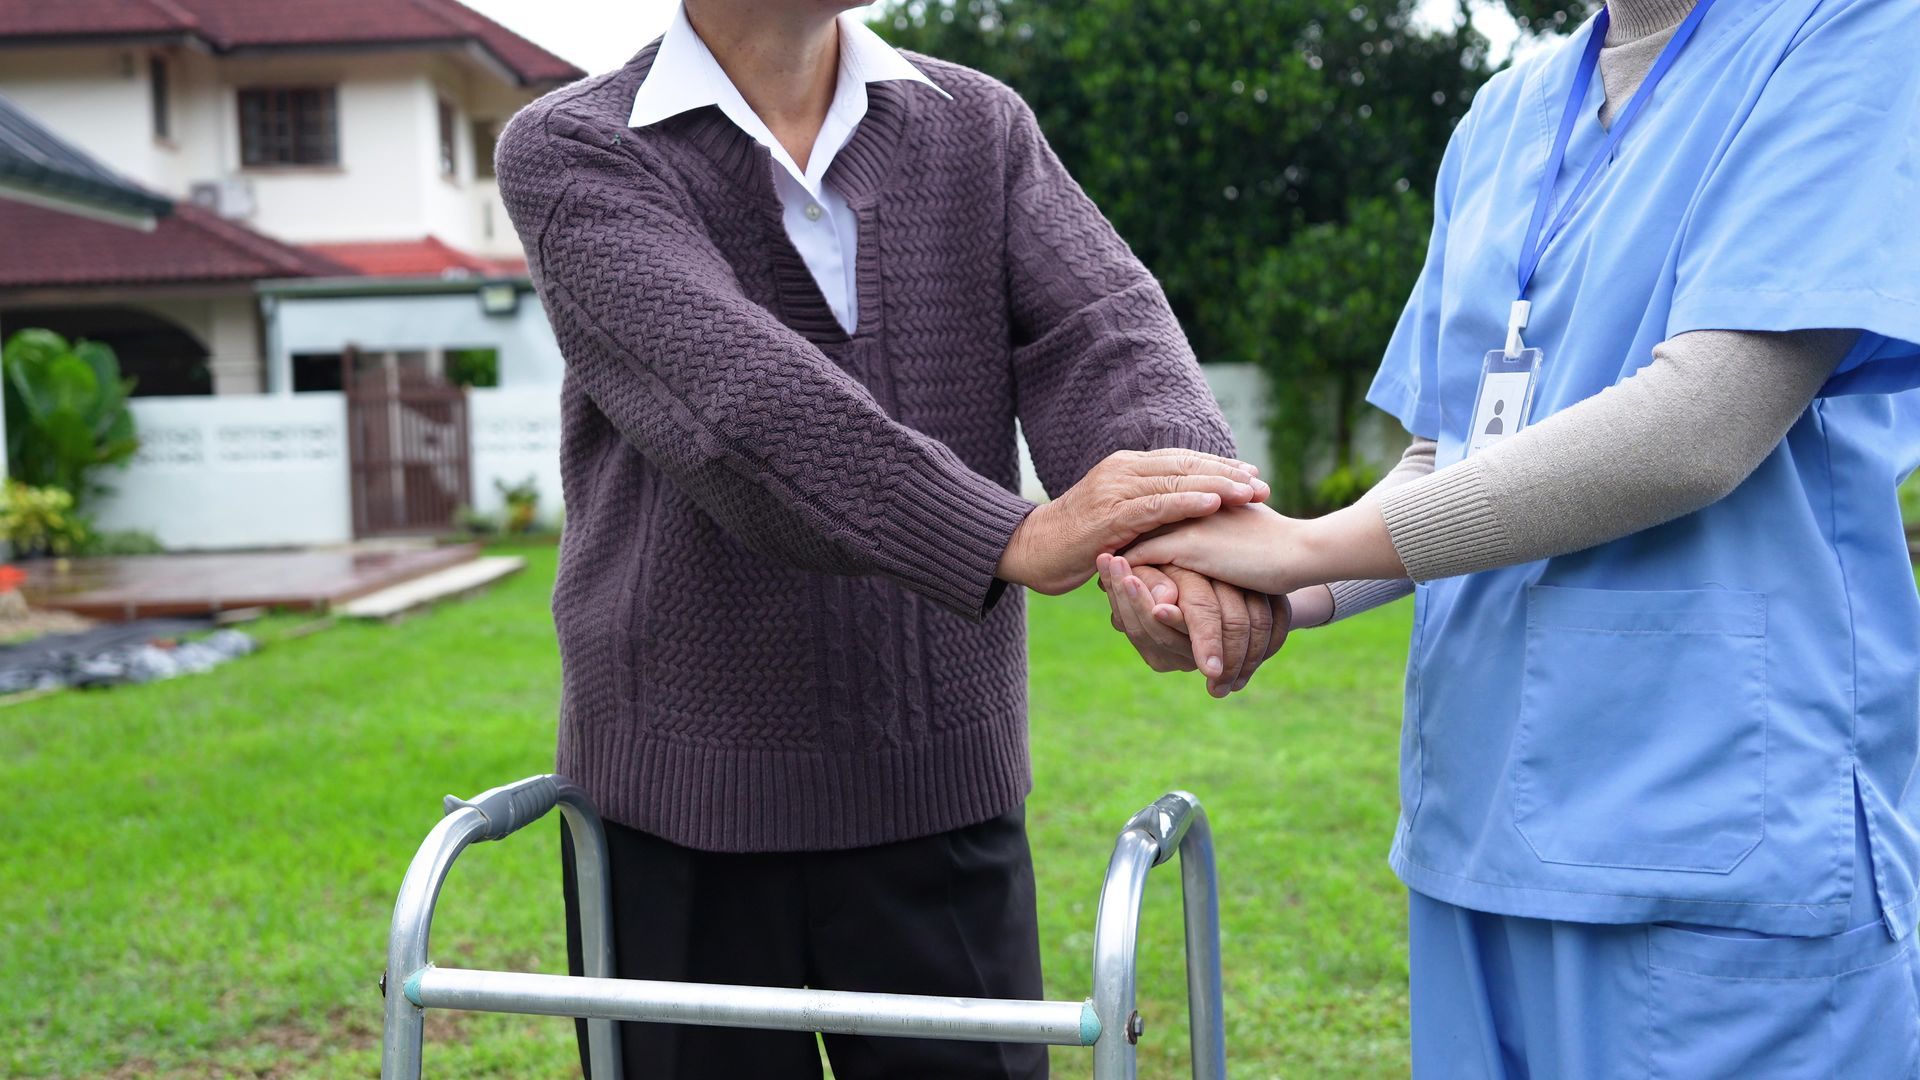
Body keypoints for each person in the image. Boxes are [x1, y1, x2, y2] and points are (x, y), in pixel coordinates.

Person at [1113, 0, 1920, 1073]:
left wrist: (1298, 554)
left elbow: (1703, 425)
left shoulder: (1851, 33)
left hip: (1714, 843)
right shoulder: (1506, 112)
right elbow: (1448, 451)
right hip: (1474, 835)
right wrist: (1264, 598)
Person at [493, 2, 1284, 1075]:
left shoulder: (979, 124)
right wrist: (1012, 535)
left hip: (941, 800)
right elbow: (731, 401)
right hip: (673, 825)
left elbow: (1103, 332)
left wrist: (1184, 541)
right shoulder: (576, 148)